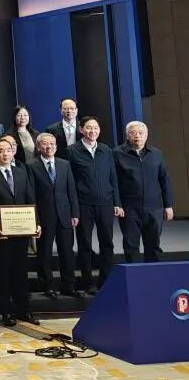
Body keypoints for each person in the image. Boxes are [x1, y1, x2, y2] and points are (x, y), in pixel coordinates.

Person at [0, 137, 40, 326]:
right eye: (0, 151)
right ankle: (5, 312)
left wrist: (36, 223)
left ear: (13, 152)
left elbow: (30, 199)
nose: (5, 154)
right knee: (4, 272)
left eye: (8, 150)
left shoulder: (21, 172)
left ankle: (24, 311)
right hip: (2, 231)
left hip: (22, 230)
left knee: (21, 272)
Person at [68, 116, 122, 294]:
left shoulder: (106, 150)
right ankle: (88, 282)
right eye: (89, 128)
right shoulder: (72, 151)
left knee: (107, 243)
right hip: (83, 204)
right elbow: (70, 181)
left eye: (96, 128)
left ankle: (106, 280)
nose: (93, 131)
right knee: (84, 244)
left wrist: (117, 202)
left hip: (105, 203)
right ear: (81, 129)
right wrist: (74, 208)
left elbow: (113, 177)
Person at [115, 121, 174, 263]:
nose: (137, 136)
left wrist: (168, 205)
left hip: (154, 208)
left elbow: (165, 180)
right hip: (129, 209)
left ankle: (153, 275)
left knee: (153, 245)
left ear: (146, 135)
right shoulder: (117, 153)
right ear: (127, 135)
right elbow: (114, 182)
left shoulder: (156, 154)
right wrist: (117, 204)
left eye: (141, 133)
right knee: (131, 246)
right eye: (133, 133)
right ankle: (134, 276)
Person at [28, 133, 79, 298]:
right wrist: (35, 219)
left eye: (52, 143)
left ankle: (68, 285)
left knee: (67, 252)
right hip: (44, 216)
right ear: (38, 147)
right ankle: (47, 286)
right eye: (45, 144)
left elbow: (71, 190)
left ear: (56, 146)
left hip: (65, 214)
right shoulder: (31, 166)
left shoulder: (65, 164)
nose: (49, 146)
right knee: (45, 252)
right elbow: (31, 195)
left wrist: (75, 213)